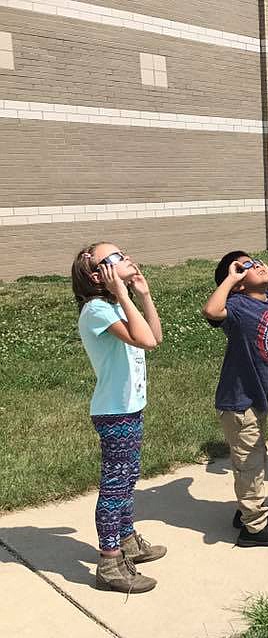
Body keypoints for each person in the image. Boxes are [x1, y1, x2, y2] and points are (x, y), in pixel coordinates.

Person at [73, 244, 165, 593]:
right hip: (114, 412)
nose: (126, 257)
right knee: (114, 486)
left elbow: (154, 336)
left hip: (128, 407)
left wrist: (144, 295)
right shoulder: (97, 308)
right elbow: (145, 340)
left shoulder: (111, 304)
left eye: (123, 252)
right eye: (114, 258)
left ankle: (127, 540)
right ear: (98, 276)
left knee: (127, 479)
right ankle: (110, 562)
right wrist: (123, 294)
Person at [203, 252, 268, 548]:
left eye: (256, 262)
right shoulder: (237, 306)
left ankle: (249, 512)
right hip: (238, 400)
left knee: (256, 457)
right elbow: (211, 311)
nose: (256, 266)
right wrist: (231, 279)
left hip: (257, 396)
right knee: (249, 464)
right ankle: (253, 528)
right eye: (246, 267)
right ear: (238, 283)